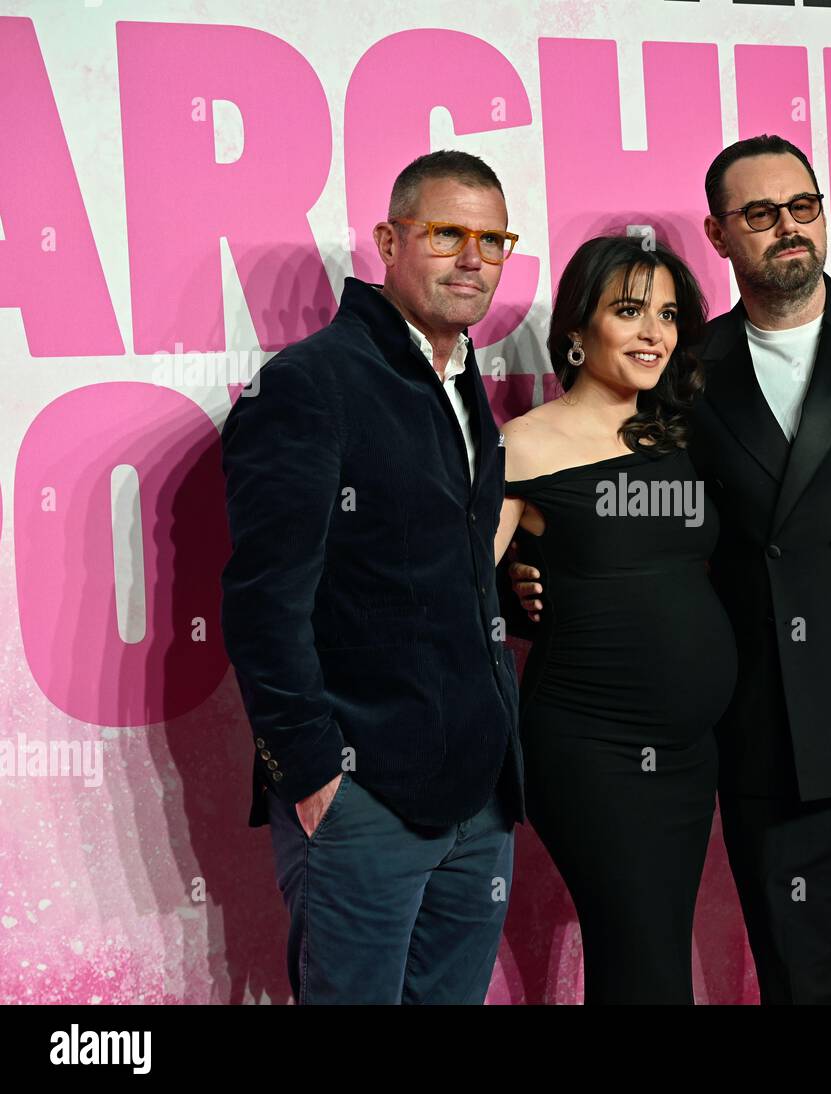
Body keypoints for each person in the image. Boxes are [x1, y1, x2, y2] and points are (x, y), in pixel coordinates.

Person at [509, 134, 831, 1004]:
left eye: (803, 206)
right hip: (772, 737)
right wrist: (523, 583)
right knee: (804, 985)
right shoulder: (686, 371)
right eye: (759, 214)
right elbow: (614, 512)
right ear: (718, 236)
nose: (787, 228)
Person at [220, 150, 524, 1004]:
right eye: (448, 234)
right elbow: (263, 602)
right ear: (389, 241)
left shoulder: (467, 387)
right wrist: (313, 773)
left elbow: (440, 569)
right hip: (360, 797)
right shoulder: (311, 386)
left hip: (480, 798)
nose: (473, 258)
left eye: (493, 240)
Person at [492, 235, 737, 1004]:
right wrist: (509, 588)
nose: (653, 333)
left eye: (666, 315)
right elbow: (457, 587)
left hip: (689, 753)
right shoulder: (522, 445)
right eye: (629, 311)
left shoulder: (680, 436)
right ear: (577, 329)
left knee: (651, 952)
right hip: (590, 747)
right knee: (642, 956)